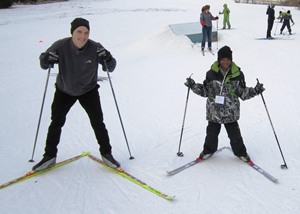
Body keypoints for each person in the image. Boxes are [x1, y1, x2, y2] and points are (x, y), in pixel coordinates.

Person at [33, 17, 120, 171]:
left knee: (98, 122)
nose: (83, 36)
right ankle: (49, 156)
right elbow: (43, 63)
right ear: (72, 32)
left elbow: (111, 67)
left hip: (89, 90)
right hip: (64, 90)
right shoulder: (60, 45)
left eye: (86, 32)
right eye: (79, 32)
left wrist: (108, 58)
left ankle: (107, 154)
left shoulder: (95, 47)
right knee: (56, 122)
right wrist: (46, 59)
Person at [184, 46, 265, 162]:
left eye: (227, 59)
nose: (225, 62)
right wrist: (193, 86)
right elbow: (205, 91)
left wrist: (255, 91)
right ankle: (208, 150)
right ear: (219, 60)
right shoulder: (211, 74)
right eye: (223, 59)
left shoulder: (238, 74)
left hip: (230, 111)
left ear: (231, 60)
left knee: (235, 135)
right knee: (211, 133)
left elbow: (242, 93)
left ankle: (241, 152)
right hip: (214, 111)